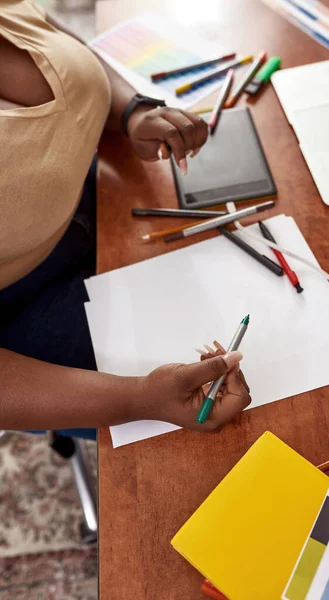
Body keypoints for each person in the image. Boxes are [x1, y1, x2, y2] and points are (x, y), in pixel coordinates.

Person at [0, 0, 251, 441]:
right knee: (226, 414)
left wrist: (131, 111)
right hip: (21, 310)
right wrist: (139, 398)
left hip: (92, 187)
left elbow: (50, 41)